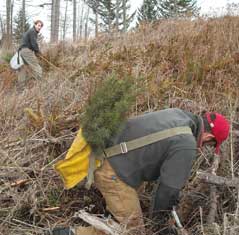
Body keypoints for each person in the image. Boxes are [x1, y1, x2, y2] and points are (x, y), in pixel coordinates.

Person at [51, 108, 230, 235]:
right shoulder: (187, 144)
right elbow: (167, 190)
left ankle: (112, 216)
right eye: (210, 145)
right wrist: (158, 223)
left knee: (130, 213)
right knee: (132, 229)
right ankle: (70, 233)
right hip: (111, 170)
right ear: (209, 137)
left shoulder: (179, 114)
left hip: (105, 155)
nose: (204, 147)